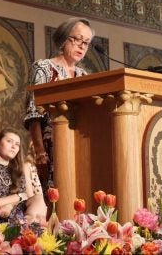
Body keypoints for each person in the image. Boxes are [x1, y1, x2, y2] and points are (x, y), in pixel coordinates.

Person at [24, 17, 95, 193]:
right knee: (55, 198)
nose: (82, 46)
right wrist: (40, 152)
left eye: (86, 43)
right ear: (64, 39)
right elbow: (33, 114)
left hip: (79, 147)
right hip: (49, 148)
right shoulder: (43, 68)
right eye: (77, 39)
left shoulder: (83, 76)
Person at [0, 128, 47, 223]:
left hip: (17, 216)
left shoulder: (19, 170)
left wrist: (9, 205)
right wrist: (17, 196)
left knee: (38, 199)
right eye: (9, 141)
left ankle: (25, 228)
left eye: (17, 144)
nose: (14, 146)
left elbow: (26, 196)